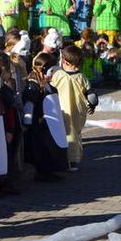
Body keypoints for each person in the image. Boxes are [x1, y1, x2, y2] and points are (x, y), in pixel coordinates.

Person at [23, 51, 69, 180]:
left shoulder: (46, 84)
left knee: (48, 147)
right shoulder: (33, 85)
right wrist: (27, 122)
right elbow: (29, 104)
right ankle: (42, 172)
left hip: (46, 122)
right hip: (36, 123)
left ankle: (50, 169)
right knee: (39, 148)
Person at [50, 44, 94, 171]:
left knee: (64, 134)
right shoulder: (82, 77)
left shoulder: (58, 75)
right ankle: (73, 160)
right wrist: (92, 104)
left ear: (64, 61)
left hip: (61, 110)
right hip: (78, 110)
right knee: (75, 133)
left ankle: (67, 159)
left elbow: (51, 89)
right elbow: (90, 94)